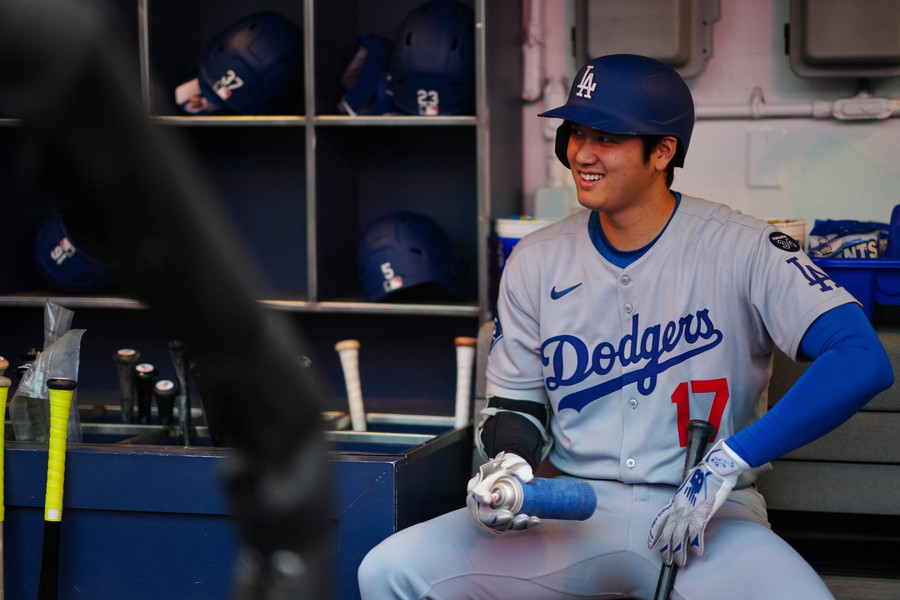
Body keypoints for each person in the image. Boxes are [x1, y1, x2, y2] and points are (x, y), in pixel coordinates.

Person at [357, 53, 893, 599]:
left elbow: (861, 358)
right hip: (573, 512)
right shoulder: (535, 259)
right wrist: (509, 465)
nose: (582, 154)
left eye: (608, 137)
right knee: (389, 570)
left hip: (711, 515)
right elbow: (516, 404)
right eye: (576, 132)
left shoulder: (746, 245)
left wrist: (733, 458)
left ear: (663, 151)